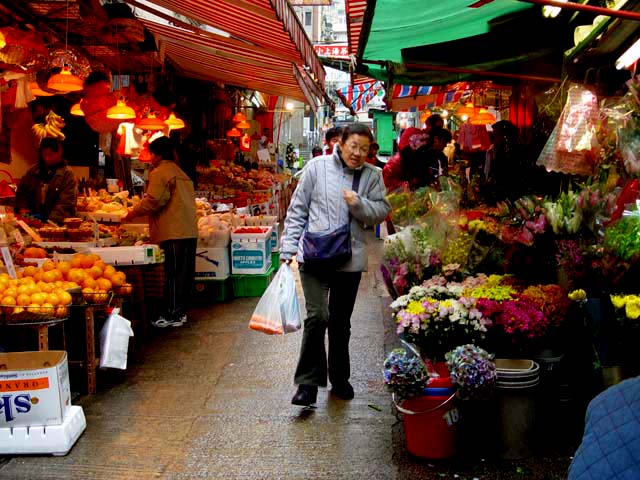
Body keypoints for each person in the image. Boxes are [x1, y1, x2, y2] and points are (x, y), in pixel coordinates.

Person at [280, 123, 390, 406]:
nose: (357, 153)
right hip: (315, 256)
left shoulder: (373, 175)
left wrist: (359, 204)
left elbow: (381, 212)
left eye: (364, 149)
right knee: (318, 318)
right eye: (353, 146)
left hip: (349, 260)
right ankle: (307, 384)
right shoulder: (316, 168)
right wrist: (288, 248)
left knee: (340, 323)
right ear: (340, 143)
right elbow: (297, 210)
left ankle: (340, 379)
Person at [125, 136, 198, 328]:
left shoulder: (161, 172)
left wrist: (132, 213)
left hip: (173, 232)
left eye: (151, 154)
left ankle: (172, 314)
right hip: (188, 230)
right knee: (183, 273)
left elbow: (154, 201)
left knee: (172, 273)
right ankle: (180, 312)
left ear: (157, 154)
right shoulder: (180, 171)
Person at [15, 138, 77, 225]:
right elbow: (22, 193)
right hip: (33, 222)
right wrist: (23, 211)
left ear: (60, 152)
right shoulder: (33, 171)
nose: (47, 158)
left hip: (57, 223)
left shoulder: (67, 174)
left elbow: (65, 203)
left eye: (51, 155)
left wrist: (49, 223)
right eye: (44, 155)